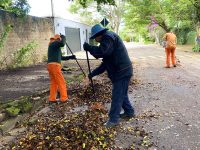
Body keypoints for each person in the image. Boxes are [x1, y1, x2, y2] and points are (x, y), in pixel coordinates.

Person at [83, 24, 135, 127]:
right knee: (121, 94)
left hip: (122, 71)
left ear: (99, 35)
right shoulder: (107, 41)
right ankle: (129, 112)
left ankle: (113, 120)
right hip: (121, 71)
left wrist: (89, 48)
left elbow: (103, 52)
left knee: (117, 95)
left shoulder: (108, 37)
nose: (95, 40)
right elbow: (105, 64)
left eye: (95, 38)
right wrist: (91, 75)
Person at [47, 34, 76, 103]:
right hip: (55, 66)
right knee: (61, 82)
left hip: (51, 66)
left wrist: (70, 57)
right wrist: (63, 37)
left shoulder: (54, 46)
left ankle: (52, 99)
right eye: (59, 40)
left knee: (54, 82)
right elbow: (62, 43)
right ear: (57, 39)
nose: (60, 41)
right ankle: (64, 98)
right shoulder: (54, 43)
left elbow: (61, 58)